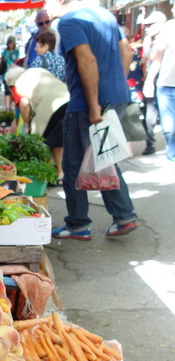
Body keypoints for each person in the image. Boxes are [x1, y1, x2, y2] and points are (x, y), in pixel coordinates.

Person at [46, 0, 138, 240]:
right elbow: (126, 52)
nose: (45, 6)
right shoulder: (104, 15)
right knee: (103, 156)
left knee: (74, 163)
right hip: (116, 95)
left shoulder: (69, 21)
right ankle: (123, 216)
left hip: (87, 101)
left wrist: (94, 104)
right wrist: (114, 85)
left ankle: (78, 224)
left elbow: (87, 60)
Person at [7, 66, 69, 183]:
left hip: (52, 107)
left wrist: (26, 125)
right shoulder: (36, 71)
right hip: (67, 99)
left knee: (54, 142)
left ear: (10, 80)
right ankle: (56, 172)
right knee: (61, 139)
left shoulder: (16, 82)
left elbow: (24, 103)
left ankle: (61, 174)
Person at [141, 12, 166, 155]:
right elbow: (147, 61)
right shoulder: (147, 41)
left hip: (164, 80)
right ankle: (150, 143)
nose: (147, 28)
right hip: (151, 79)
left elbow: (156, 60)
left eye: (150, 25)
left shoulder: (166, 39)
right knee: (149, 115)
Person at [154, 16, 175, 162]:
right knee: (169, 128)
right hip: (166, 85)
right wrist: (149, 81)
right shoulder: (168, 27)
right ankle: (172, 153)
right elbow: (158, 57)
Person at [1, 37, 20, 110]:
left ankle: (10, 105)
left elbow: (18, 60)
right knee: (7, 91)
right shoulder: (5, 52)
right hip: (6, 74)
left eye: (12, 43)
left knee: (13, 90)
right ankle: (7, 107)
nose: (10, 45)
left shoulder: (16, 52)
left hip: (15, 74)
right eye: (9, 43)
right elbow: (5, 61)